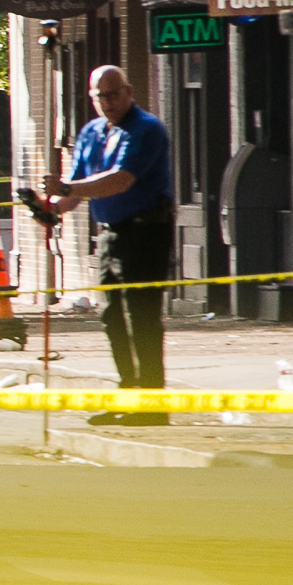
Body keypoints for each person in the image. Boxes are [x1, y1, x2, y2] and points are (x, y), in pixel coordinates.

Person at [41, 65, 174, 427]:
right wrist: (51, 209)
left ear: (129, 91)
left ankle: (152, 405)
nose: (110, 102)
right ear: (92, 97)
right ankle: (128, 395)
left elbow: (120, 181)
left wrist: (68, 190)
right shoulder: (91, 133)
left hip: (146, 232)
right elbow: (77, 187)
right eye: (102, 96)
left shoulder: (146, 129)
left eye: (115, 93)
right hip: (110, 233)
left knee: (142, 318)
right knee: (112, 316)